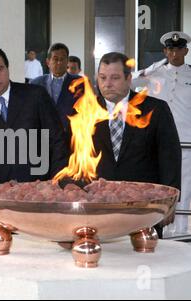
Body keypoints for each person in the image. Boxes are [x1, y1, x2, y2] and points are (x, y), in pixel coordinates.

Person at [0, 47, 69, 219]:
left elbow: (57, 140)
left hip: (40, 193)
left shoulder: (35, 95)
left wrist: (56, 182)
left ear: (7, 68)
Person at [94, 52, 181, 238]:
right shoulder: (84, 112)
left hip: (145, 207)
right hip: (97, 207)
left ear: (128, 78)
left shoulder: (155, 110)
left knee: (145, 262)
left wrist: (169, 200)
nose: (107, 84)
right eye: (102, 78)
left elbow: (170, 157)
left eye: (115, 78)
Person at [132, 31, 191, 236]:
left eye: (178, 49)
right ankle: (155, 231)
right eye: (170, 50)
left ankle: (180, 234)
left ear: (186, 50)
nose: (174, 54)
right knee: (157, 186)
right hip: (157, 140)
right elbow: (130, 84)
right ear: (165, 51)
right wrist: (152, 67)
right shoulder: (154, 74)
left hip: (185, 141)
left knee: (183, 189)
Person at [30, 43, 82, 135]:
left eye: (62, 59)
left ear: (67, 62)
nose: (59, 62)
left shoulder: (79, 83)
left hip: (71, 137)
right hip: (43, 138)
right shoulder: (36, 84)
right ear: (48, 62)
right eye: (55, 59)